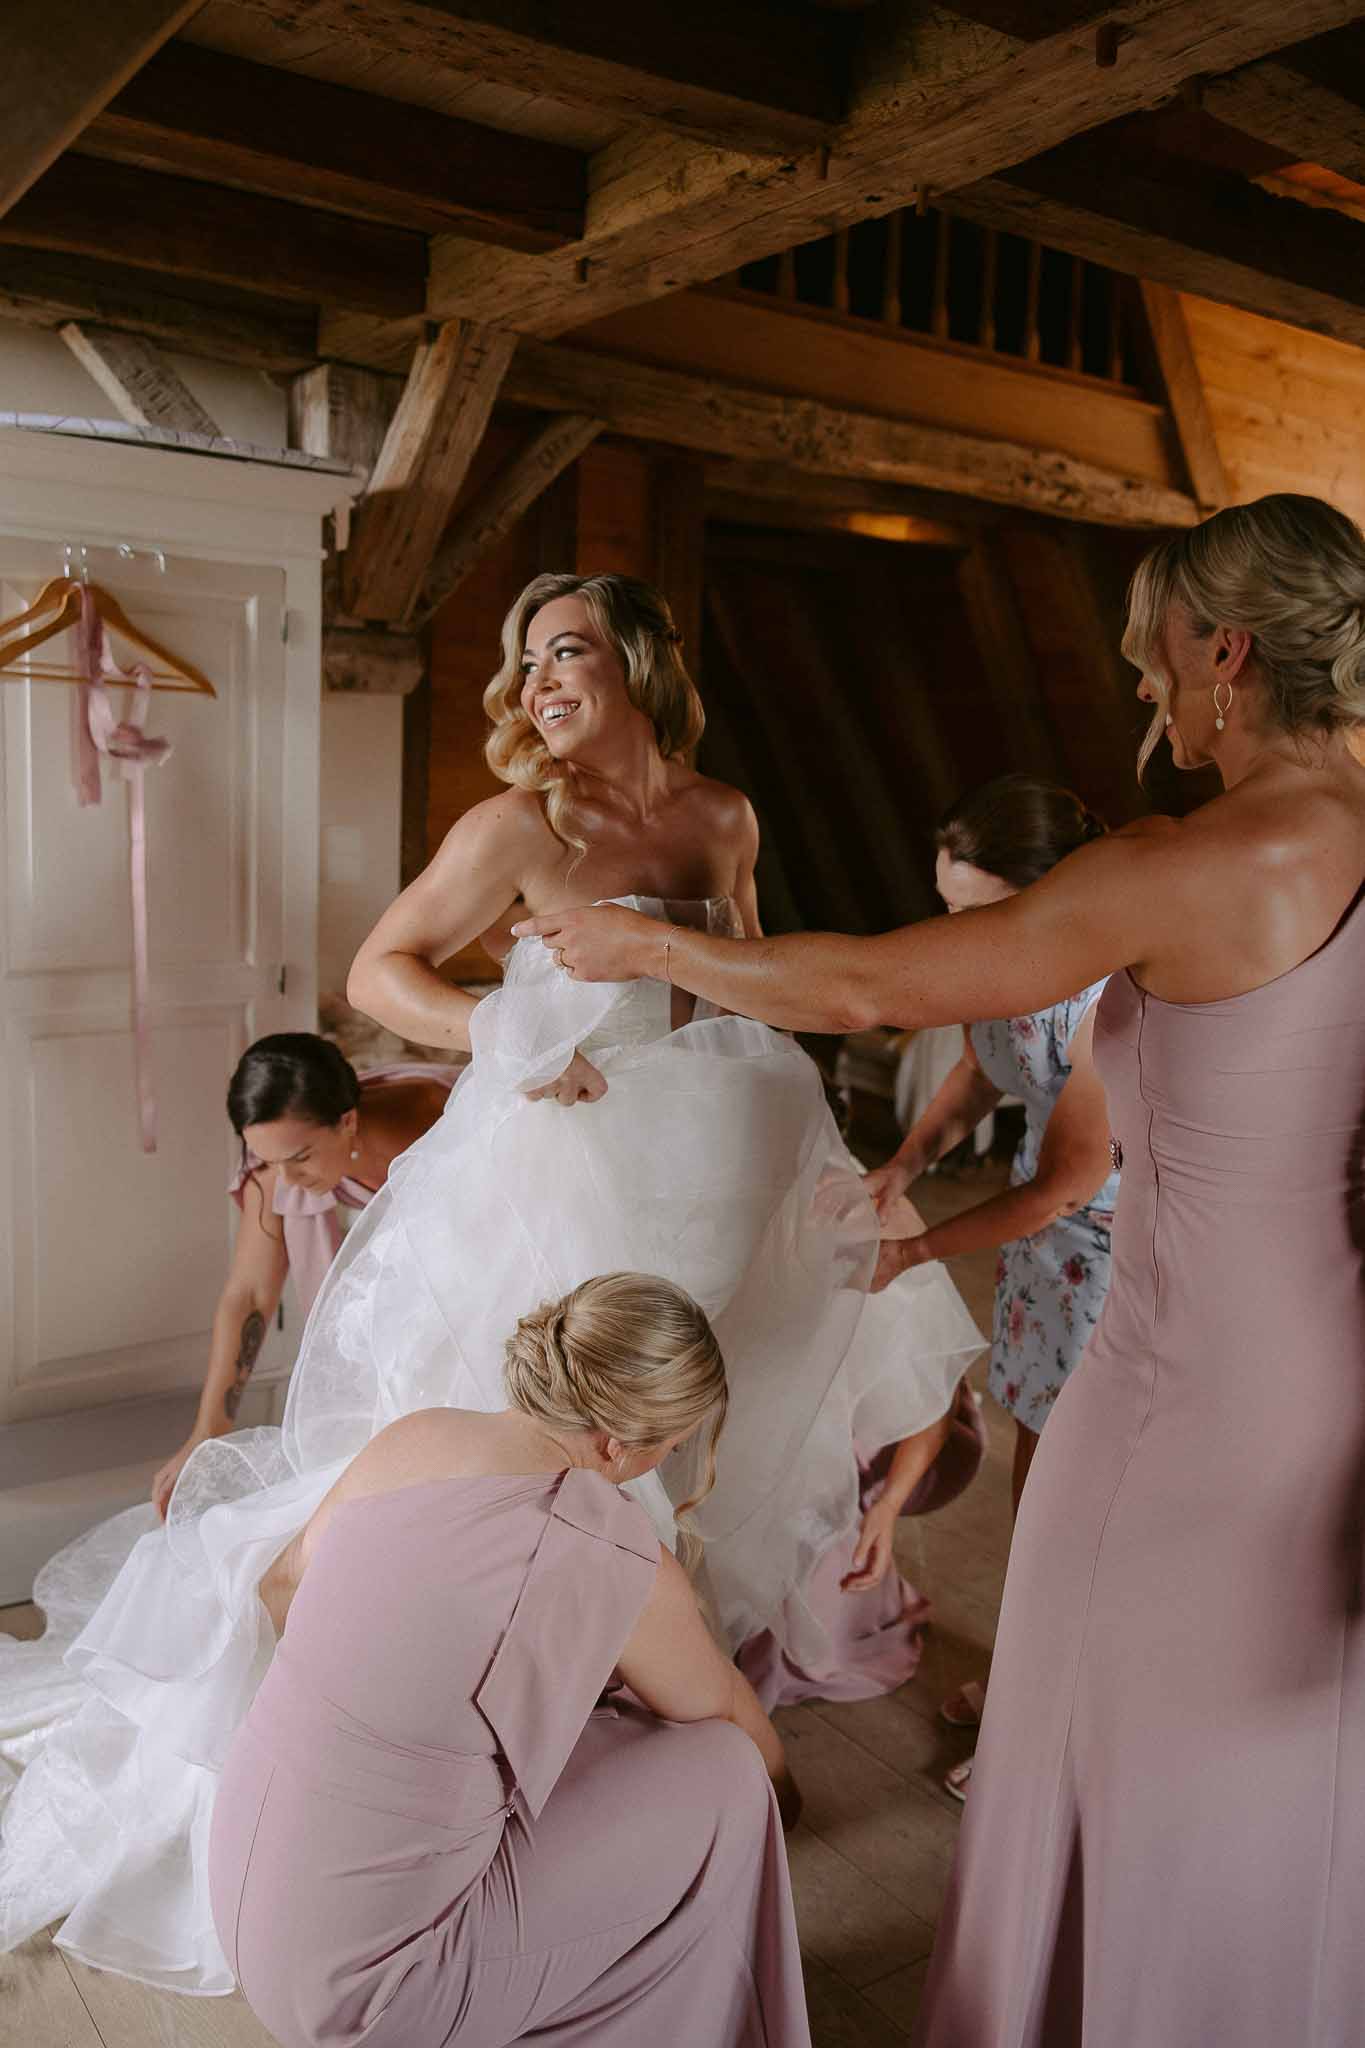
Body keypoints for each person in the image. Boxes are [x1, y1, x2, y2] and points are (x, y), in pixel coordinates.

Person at [0, 572, 979, 1993]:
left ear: (641, 660)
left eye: (564, 651)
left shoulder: (723, 815)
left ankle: (656, 1700)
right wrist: (505, 1033)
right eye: (523, 665)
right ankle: (541, 1724)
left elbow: (746, 974)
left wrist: (810, 1146)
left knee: (704, 1435)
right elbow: (378, 970)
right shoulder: (518, 824)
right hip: (566, 1163)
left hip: (720, 1155)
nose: (535, 685)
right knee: (569, 1448)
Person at [516, 494, 1365, 2044]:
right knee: (1280, 1732)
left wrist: (659, 952)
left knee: (1108, 1717)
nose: (1145, 693)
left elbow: (866, 984)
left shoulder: (1202, 859)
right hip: (1326, 1364)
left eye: (1154, 659)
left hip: (1182, 1385)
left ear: (1228, 651)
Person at [210, 1271, 810, 2048]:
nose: (666, 1457)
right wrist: (785, 1793)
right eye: (671, 1442)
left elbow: (283, 1586)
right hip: (372, 2001)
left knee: (575, 1724)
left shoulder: (416, 1437)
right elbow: (719, 1711)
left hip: (243, 1913)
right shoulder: (611, 1549)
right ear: (618, 1443)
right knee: (727, 1769)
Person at [864, 777, 1119, 1791]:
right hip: (1043, 1252)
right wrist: (906, 1163)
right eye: (949, 906)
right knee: (1035, 1481)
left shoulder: (1111, 987)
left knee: (1081, 1498)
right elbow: (980, 1068)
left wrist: (914, 1253)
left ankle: (1058, 1732)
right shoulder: (1008, 962)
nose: (959, 931)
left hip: (1112, 1246)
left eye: (979, 910)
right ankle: (1029, 1671)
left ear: (1046, 890)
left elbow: (1066, 1178)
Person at [151, 1034, 459, 1516]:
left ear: (347, 1121)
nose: (286, 1180)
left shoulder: (436, 1118)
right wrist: (207, 1431)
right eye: (270, 1160)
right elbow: (250, 1295)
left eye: (299, 1158)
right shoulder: (274, 1172)